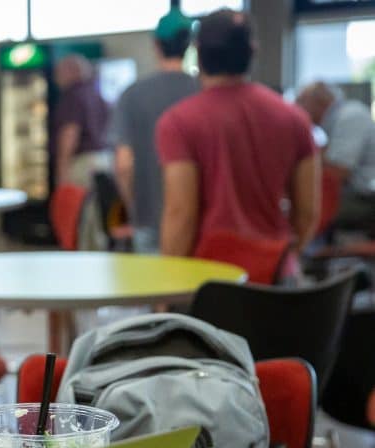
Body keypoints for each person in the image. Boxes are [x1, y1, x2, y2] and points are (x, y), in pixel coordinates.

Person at [156, 9, 318, 278]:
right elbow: (308, 212)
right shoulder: (295, 118)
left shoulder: (178, 122)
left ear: (198, 52)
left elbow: (181, 214)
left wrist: (166, 292)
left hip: (209, 281)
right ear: (252, 51)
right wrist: (285, 256)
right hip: (274, 277)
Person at [108, 8, 199, 253]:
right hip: (199, 222)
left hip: (148, 218)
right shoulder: (202, 92)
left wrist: (134, 207)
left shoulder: (132, 95)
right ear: (190, 45)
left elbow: (124, 164)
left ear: (156, 45)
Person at [295, 81, 375, 235]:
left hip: (365, 199)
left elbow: (338, 171)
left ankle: (306, 252)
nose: (298, 110)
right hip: (355, 194)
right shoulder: (338, 119)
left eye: (300, 102)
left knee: (301, 207)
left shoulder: (350, 116)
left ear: (318, 102)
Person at [53, 54, 111, 250]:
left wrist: (62, 172)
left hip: (83, 164)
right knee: (96, 216)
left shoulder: (73, 96)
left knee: (80, 219)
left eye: (59, 72)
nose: (56, 78)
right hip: (103, 161)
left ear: (71, 72)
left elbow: (70, 134)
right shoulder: (98, 95)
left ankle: (85, 258)